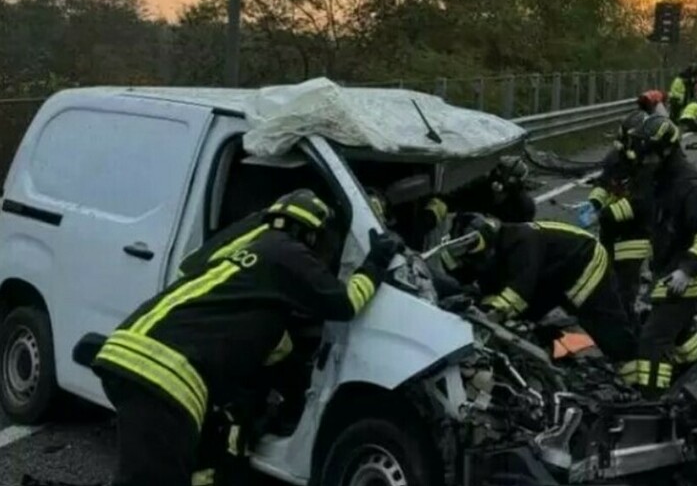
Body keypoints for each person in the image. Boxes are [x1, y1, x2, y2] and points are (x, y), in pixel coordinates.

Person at [92, 189, 404, 486]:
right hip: (164, 374)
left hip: (133, 347)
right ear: (311, 234)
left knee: (183, 467)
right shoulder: (289, 253)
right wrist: (375, 261)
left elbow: (198, 275)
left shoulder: (245, 250)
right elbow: (345, 303)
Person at [441, 214, 639, 370]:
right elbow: (478, 286)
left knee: (602, 324)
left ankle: (633, 372)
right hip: (552, 274)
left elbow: (517, 293)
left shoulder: (521, 242)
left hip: (583, 261)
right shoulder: (495, 252)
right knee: (526, 317)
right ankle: (548, 352)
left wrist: (484, 316)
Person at [624, 114, 697, 395]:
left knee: (653, 339)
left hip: (687, 277)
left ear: (667, 151)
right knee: (677, 334)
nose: (644, 161)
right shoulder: (660, 178)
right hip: (667, 269)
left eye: (649, 156)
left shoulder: (691, 186)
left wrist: (687, 270)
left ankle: (652, 400)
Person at [584, 112, 653, 315]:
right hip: (611, 228)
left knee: (626, 281)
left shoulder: (650, 165)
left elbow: (642, 204)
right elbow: (605, 183)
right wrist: (595, 203)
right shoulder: (615, 158)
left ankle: (626, 319)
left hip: (636, 231)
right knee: (605, 272)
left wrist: (604, 215)